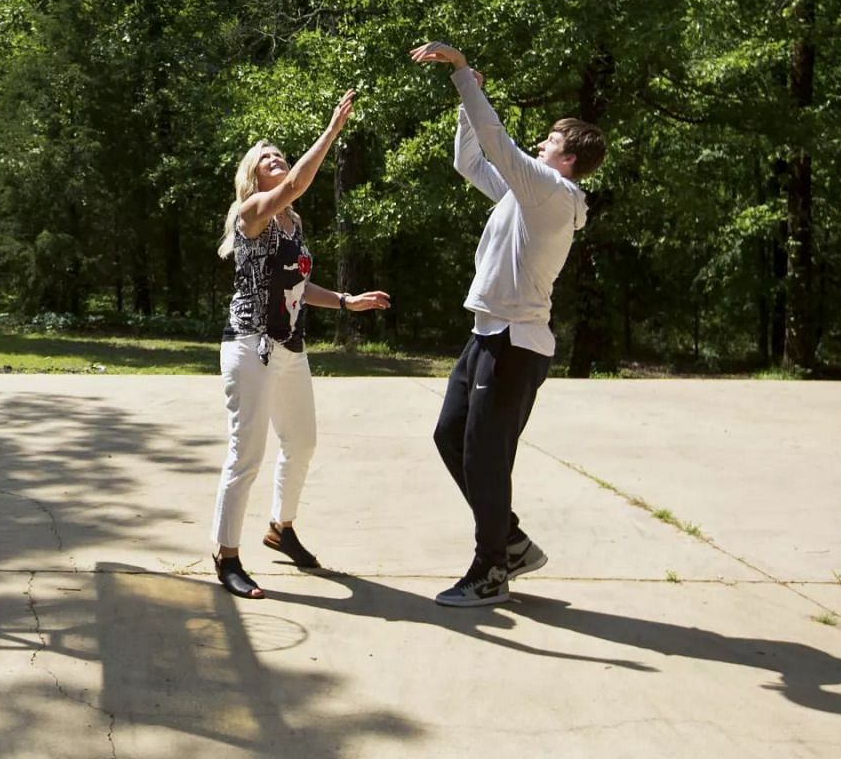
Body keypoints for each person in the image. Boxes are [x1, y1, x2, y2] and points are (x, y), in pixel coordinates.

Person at [410, 42, 606, 607]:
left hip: (515, 345)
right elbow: (470, 161)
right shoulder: (526, 195)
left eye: (551, 140)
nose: (542, 143)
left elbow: (497, 143)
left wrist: (464, 73)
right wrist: (465, 107)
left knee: (484, 457)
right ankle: (512, 541)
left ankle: (491, 567)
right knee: (451, 437)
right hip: (488, 335)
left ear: (566, 159)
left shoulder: (551, 191)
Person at [211, 90, 392, 599]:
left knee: (302, 443)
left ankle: (280, 528)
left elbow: (295, 285)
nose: (277, 159)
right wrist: (332, 130)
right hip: (249, 345)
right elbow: (295, 184)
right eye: (266, 158)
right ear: (254, 175)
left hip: (290, 346)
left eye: (279, 154)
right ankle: (225, 556)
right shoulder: (253, 212)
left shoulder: (294, 223)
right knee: (246, 453)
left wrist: (345, 300)